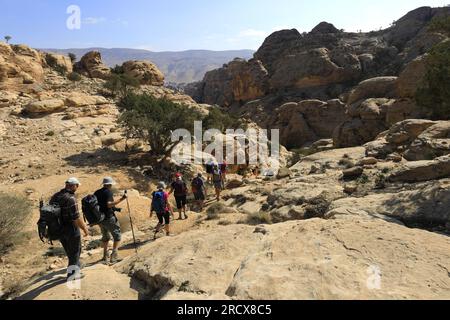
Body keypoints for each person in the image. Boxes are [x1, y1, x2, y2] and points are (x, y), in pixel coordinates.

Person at [49, 177, 89, 280]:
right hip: (71, 228)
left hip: (58, 228)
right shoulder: (71, 198)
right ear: (73, 186)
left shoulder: (55, 196)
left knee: (69, 250)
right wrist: (84, 228)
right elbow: (76, 217)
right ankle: (72, 275)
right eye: (77, 186)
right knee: (76, 251)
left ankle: (76, 265)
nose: (78, 187)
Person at [94, 177, 128, 264]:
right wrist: (122, 198)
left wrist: (115, 209)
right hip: (109, 218)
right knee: (117, 236)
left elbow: (99, 205)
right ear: (109, 184)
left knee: (105, 237)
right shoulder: (108, 192)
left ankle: (105, 257)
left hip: (100, 219)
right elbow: (109, 205)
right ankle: (114, 257)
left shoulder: (97, 192)